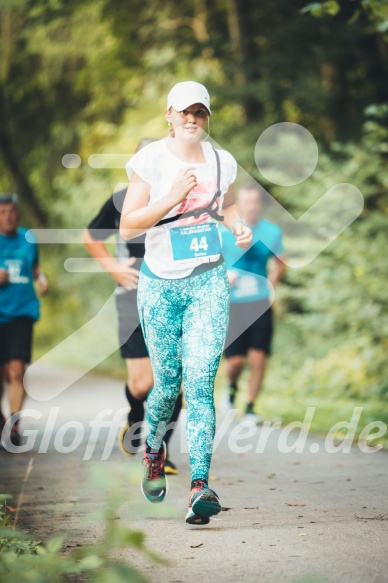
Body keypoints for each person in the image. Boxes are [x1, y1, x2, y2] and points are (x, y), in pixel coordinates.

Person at [120, 80, 252, 525]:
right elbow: (128, 227)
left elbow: (225, 206)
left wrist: (237, 226)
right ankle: (153, 450)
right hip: (159, 286)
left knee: (199, 383)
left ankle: (200, 487)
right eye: (184, 112)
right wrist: (171, 197)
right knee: (166, 388)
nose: (192, 119)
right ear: (169, 115)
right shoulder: (151, 159)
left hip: (208, 281)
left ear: (207, 116)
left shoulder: (223, 161)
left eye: (200, 112)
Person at [83, 139, 182, 474]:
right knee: (142, 385)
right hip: (133, 295)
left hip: (172, 295)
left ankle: (160, 451)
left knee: (172, 379)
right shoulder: (122, 199)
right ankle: (135, 418)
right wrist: (114, 268)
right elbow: (91, 237)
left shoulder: (179, 197)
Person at [221, 182, 286, 424]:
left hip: (260, 303)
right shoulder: (226, 231)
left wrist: (273, 282)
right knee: (235, 361)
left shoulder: (272, 232)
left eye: (255, 202)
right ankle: (230, 389)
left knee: (258, 357)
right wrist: (224, 275)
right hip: (233, 303)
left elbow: (281, 260)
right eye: (246, 202)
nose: (251, 207)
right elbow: (209, 263)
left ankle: (250, 408)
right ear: (239, 204)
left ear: (261, 205)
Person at [0, 193, 49, 448]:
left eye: (11, 211)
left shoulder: (28, 239)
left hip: (22, 313)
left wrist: (41, 278)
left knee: (17, 371)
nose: (7, 217)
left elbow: (35, 267)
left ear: (17, 214)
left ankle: (14, 424)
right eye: (2, 212)